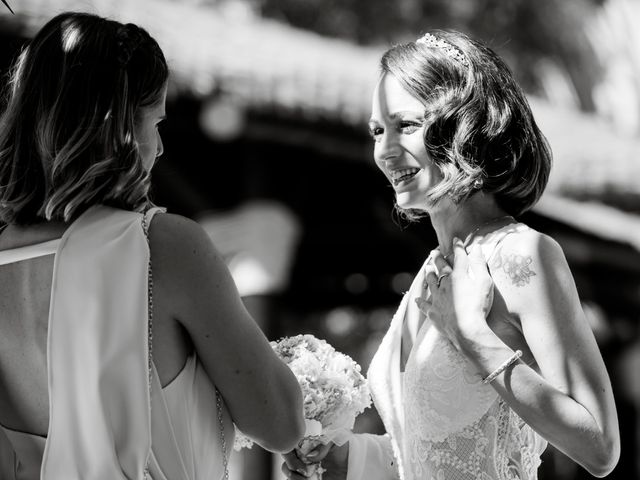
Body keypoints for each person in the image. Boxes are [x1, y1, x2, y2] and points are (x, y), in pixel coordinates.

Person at [283, 29, 620, 480]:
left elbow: (600, 447)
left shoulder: (522, 254)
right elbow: (426, 453)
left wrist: (471, 338)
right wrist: (340, 461)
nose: (384, 150)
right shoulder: (430, 274)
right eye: (377, 131)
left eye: (405, 125)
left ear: (461, 124)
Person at [0, 11, 304, 480]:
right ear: (117, 125)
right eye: (154, 122)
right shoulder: (160, 246)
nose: (158, 148)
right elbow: (281, 425)